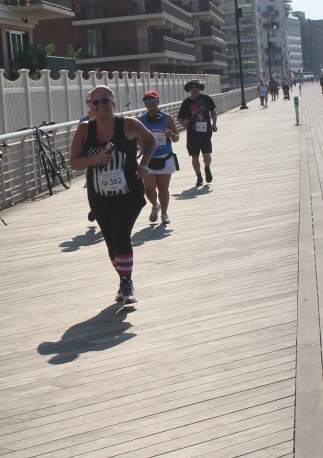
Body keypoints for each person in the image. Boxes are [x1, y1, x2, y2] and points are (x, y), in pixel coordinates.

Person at [70, 85, 156, 305]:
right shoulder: (84, 129)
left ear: (113, 102)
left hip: (129, 192)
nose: (101, 105)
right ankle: (123, 280)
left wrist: (144, 164)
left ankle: (127, 284)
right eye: (96, 102)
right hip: (99, 195)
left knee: (120, 234)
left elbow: (151, 141)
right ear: (90, 105)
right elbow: (74, 163)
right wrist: (95, 160)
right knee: (110, 241)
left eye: (105, 100)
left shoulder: (128, 124)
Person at [138, 89, 178, 224]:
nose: (149, 103)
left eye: (152, 100)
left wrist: (172, 134)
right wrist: (140, 141)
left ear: (158, 101)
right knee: (149, 188)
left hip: (165, 157)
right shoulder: (140, 120)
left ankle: (164, 214)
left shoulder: (167, 118)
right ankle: (155, 205)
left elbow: (177, 138)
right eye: (146, 101)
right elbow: (136, 139)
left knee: (163, 188)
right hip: (148, 159)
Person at [177, 80, 218, 187]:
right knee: (194, 157)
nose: (194, 89)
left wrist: (214, 124)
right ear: (189, 90)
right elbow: (180, 117)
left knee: (207, 155)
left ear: (199, 88)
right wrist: (184, 124)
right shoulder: (186, 103)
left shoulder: (206, 99)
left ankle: (207, 168)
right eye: (192, 88)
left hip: (205, 132)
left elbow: (213, 111)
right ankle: (199, 176)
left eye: (196, 87)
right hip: (192, 134)